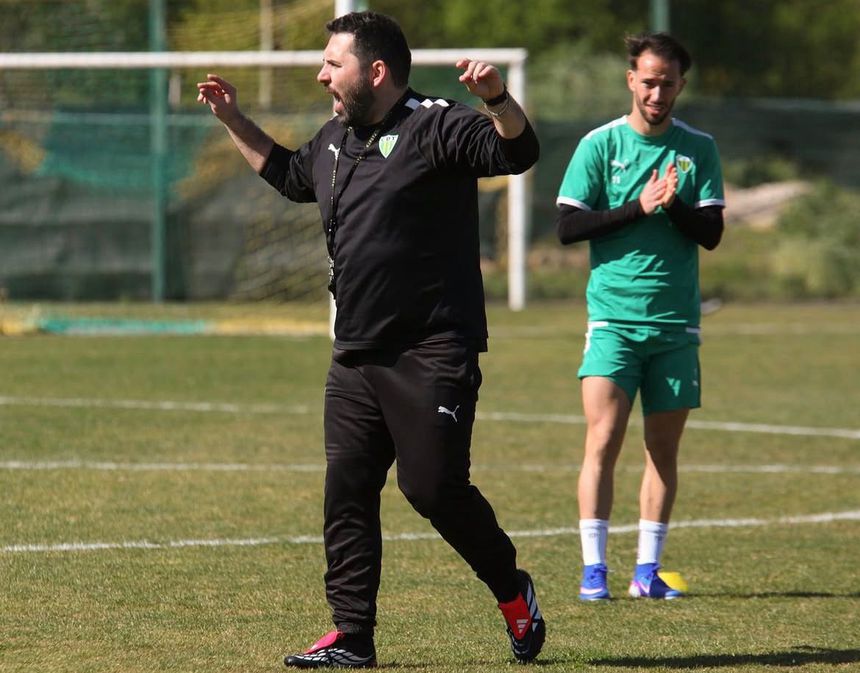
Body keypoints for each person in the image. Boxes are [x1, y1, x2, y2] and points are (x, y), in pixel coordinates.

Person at [197, 11, 544, 668]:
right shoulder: (335, 138)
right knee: (347, 489)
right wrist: (234, 121)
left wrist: (497, 100)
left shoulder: (436, 125)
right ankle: (352, 636)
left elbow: (518, 153)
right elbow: (292, 176)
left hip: (432, 350)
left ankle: (511, 587)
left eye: (334, 63)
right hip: (355, 354)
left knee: (433, 488)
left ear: (376, 71)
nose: (320, 72)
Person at [555, 32, 725, 602]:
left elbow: (712, 235)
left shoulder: (698, 148)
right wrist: (639, 206)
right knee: (602, 440)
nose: (657, 92)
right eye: (648, 80)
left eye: (667, 82)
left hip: (676, 326)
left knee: (663, 451)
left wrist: (673, 203)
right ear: (631, 79)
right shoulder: (599, 145)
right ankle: (593, 570)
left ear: (680, 85)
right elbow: (568, 227)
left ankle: (646, 571)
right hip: (612, 321)